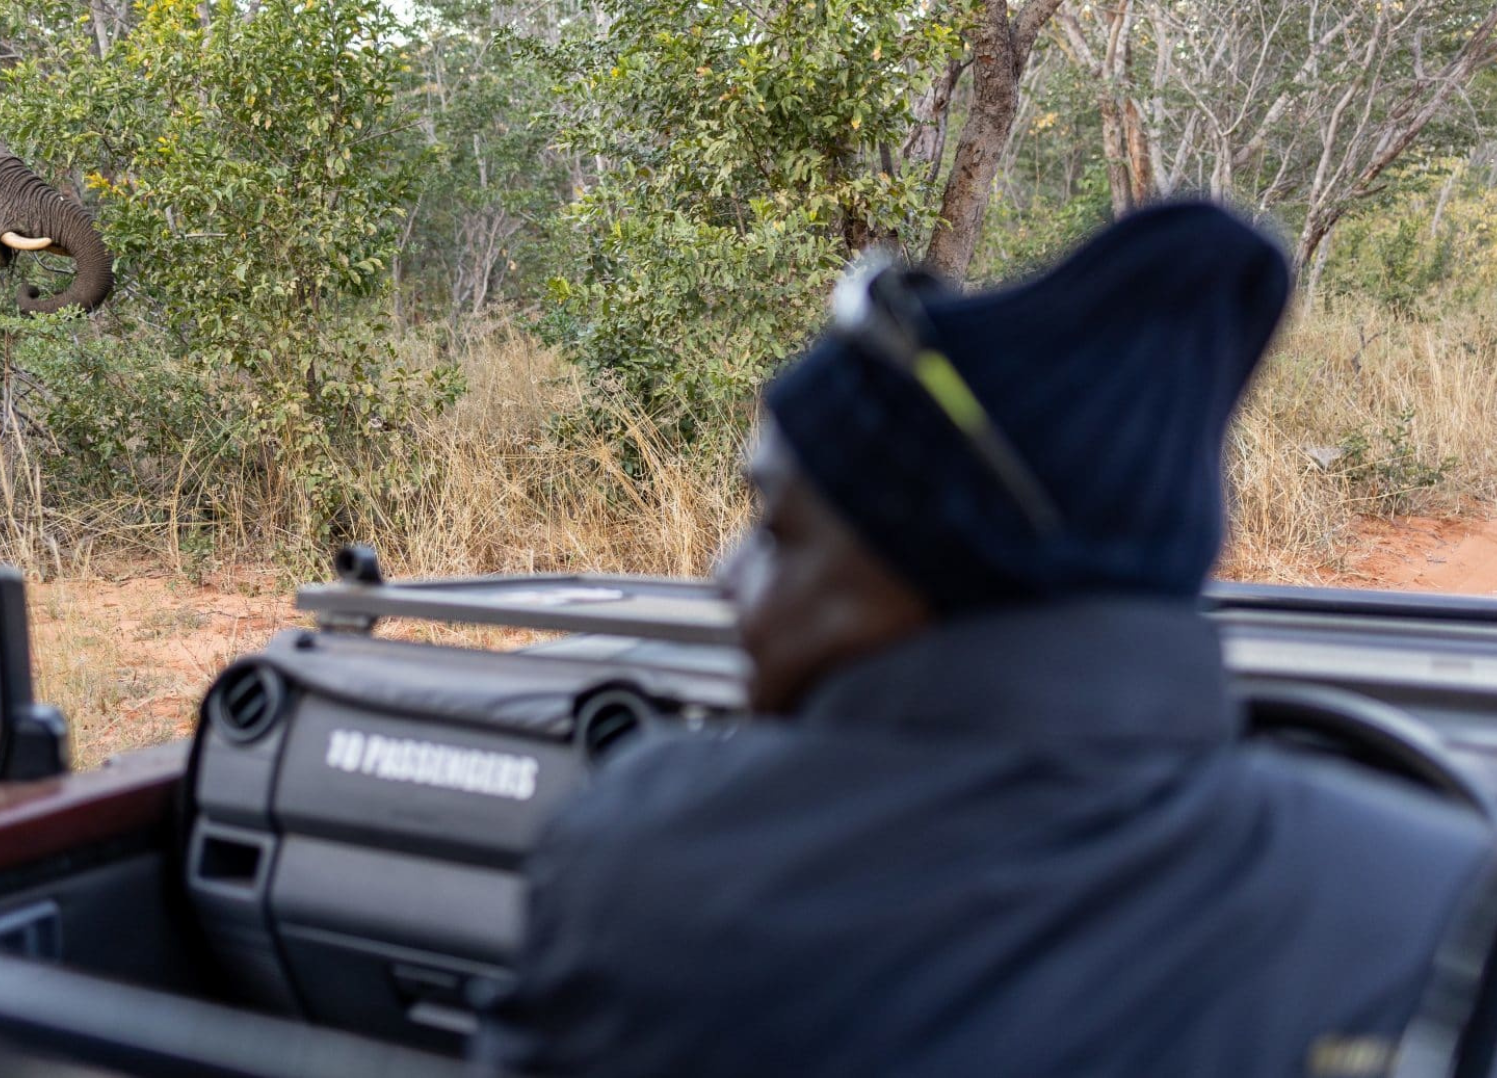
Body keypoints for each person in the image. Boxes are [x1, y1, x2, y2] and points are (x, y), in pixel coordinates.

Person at [471, 202, 1495, 1078]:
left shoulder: (648, 854)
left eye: (777, 530)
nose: (722, 573)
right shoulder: (1441, 905)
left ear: (933, 573)